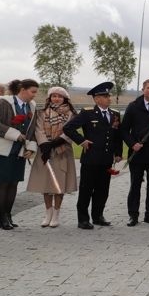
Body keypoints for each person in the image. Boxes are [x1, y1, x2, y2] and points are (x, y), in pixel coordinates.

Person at [63, 82, 123, 229]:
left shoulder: (114, 114)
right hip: (91, 158)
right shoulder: (88, 113)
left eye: (109, 96)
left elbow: (117, 135)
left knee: (103, 190)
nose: (108, 98)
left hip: (106, 159)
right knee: (86, 189)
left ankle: (98, 216)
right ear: (96, 99)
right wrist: (82, 140)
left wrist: (118, 153)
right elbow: (68, 127)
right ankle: (83, 219)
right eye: (104, 96)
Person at [0, 79, 38, 229]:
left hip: (19, 151)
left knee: (13, 182)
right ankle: (2, 217)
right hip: (2, 150)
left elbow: (32, 130)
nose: (34, 95)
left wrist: (31, 148)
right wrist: (14, 134)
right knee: (3, 183)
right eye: (32, 92)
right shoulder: (4, 103)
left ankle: (8, 215)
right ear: (22, 89)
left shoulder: (32, 106)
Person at [120, 79, 149, 227]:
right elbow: (124, 129)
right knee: (135, 185)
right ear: (143, 90)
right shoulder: (133, 106)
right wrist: (132, 143)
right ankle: (133, 215)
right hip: (137, 153)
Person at [29, 86, 78, 228]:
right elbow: (39, 130)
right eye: (54, 96)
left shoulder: (70, 113)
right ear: (49, 98)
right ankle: (48, 214)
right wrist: (45, 146)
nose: (56, 99)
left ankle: (56, 214)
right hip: (45, 151)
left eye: (60, 96)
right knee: (46, 183)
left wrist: (58, 141)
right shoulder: (42, 113)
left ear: (65, 99)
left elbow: (70, 129)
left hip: (62, 150)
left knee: (59, 183)